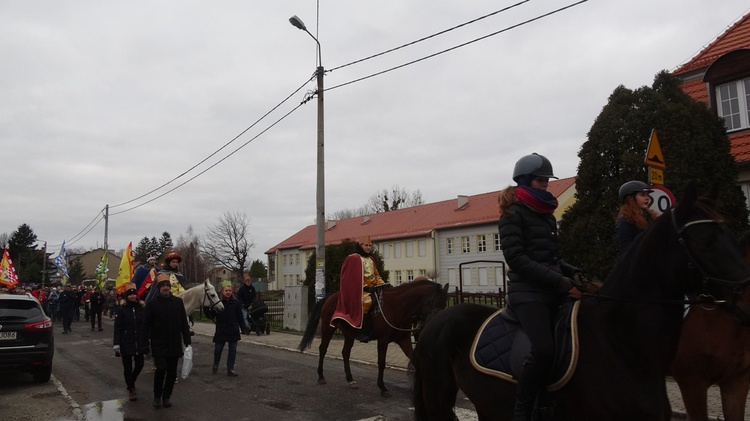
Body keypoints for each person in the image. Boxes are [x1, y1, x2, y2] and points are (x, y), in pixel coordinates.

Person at [497, 153, 586, 421]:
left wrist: (574, 272)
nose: (546, 184)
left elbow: (552, 258)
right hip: (527, 293)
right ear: (524, 181)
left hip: (551, 287)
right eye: (540, 180)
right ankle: (522, 409)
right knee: (545, 349)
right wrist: (559, 281)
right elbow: (517, 259)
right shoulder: (512, 213)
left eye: (547, 180)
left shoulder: (546, 214)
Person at [142, 272, 192, 409]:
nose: (165, 288)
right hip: (158, 343)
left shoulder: (177, 302)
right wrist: (144, 343)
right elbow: (145, 324)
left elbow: (183, 323)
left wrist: (187, 340)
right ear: (159, 288)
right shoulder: (152, 304)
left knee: (172, 372)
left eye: (167, 286)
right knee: (161, 369)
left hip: (174, 343)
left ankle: (167, 396)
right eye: (163, 286)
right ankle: (157, 396)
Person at [331, 235, 387, 343]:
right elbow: (352, 278)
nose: (368, 248)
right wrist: (365, 286)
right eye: (366, 245)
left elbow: (376, 275)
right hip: (360, 290)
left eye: (370, 245)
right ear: (360, 245)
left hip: (373, 288)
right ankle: (361, 331)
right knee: (367, 302)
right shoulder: (353, 258)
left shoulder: (371, 259)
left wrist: (382, 283)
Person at [113, 283, 149, 401]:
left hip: (139, 341)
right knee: (127, 367)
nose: (133, 296)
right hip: (126, 342)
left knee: (140, 364)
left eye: (134, 294)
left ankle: (130, 382)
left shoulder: (142, 309)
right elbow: (117, 328)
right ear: (126, 296)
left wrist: (147, 338)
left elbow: (146, 325)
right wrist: (116, 343)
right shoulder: (122, 310)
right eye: (130, 295)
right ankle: (132, 389)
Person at [212, 281, 248, 377]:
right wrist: (208, 310)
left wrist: (243, 327)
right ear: (222, 292)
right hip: (221, 330)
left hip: (233, 329)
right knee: (218, 349)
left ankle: (230, 369)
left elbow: (240, 316)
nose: (228, 292)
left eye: (230, 290)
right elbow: (212, 315)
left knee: (232, 350)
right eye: (226, 290)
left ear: (232, 291)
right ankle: (216, 363)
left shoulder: (236, 303)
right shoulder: (218, 303)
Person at [615, 180, 657, 254]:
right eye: (642, 195)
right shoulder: (624, 222)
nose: (647, 198)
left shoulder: (649, 217)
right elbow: (626, 253)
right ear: (631, 198)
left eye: (647, 194)